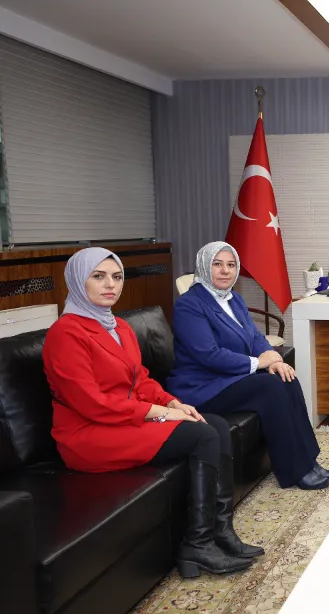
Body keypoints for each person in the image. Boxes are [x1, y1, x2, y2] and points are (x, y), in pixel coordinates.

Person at [42, 248, 261, 579]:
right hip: (88, 434)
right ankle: (198, 544)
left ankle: (221, 531)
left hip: (124, 420)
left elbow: (140, 379)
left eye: (116, 277)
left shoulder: (119, 326)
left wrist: (172, 403)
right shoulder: (65, 333)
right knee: (203, 436)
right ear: (76, 281)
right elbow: (90, 403)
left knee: (213, 424)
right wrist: (157, 412)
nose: (110, 285)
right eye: (98, 277)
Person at [166, 242, 329, 491]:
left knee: (287, 378)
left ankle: (309, 461)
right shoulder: (189, 304)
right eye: (217, 264)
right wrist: (258, 363)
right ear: (203, 266)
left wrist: (273, 359)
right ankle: (295, 470)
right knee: (269, 388)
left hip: (229, 378)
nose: (225, 271)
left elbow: (254, 336)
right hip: (202, 386)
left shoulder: (233, 299)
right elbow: (208, 355)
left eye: (231, 265)